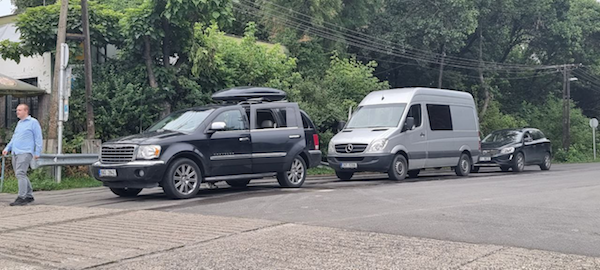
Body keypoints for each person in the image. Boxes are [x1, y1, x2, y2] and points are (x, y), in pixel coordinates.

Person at [2, 104, 43, 206]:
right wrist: (7, 148)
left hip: (25, 152)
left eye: (19, 110)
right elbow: (14, 138)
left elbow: (38, 138)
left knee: (20, 173)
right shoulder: (19, 123)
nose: (17, 112)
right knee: (20, 174)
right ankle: (29, 195)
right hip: (16, 152)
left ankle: (22, 197)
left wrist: (37, 152)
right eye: (17, 110)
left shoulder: (33, 122)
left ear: (26, 111)